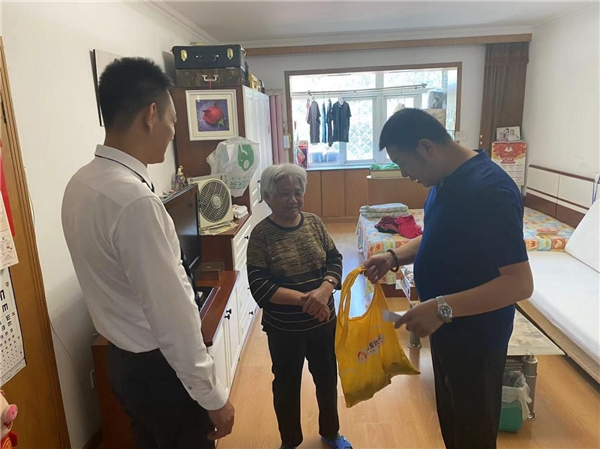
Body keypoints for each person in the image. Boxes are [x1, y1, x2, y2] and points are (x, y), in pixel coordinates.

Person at [62, 57, 234, 448]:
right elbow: (173, 315)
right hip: (161, 371)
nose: (173, 132)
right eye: (173, 120)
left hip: (122, 361)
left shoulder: (81, 183)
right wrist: (213, 396)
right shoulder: (135, 201)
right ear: (151, 115)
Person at [363, 109, 533, 449]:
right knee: (453, 425)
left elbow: (518, 283)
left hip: (476, 339)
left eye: (403, 163)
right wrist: (394, 256)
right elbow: (436, 237)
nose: (404, 174)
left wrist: (441, 308)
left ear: (426, 147)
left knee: (473, 434)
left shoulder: (489, 190)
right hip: (446, 328)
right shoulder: (444, 181)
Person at [246, 164, 352, 449]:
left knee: (327, 380)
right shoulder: (261, 235)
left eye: (298, 192)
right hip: (285, 330)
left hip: (323, 324)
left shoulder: (314, 223)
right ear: (268, 197)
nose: (293, 199)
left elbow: (335, 259)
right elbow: (260, 286)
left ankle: (331, 433)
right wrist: (308, 300)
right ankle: (290, 441)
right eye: (284, 193)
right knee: (286, 386)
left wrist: (325, 288)